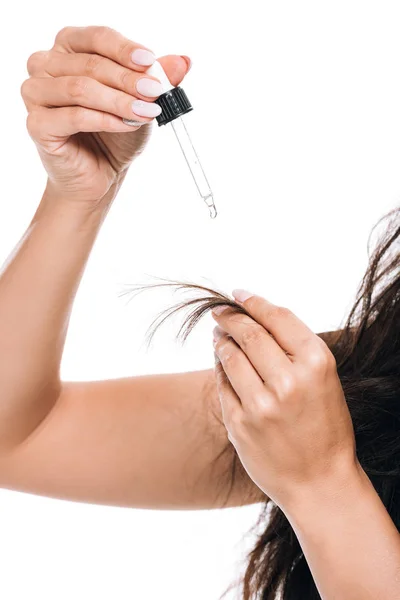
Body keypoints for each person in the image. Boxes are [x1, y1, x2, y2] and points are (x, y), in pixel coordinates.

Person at [0, 24, 399, 600]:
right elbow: (18, 436)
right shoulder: (368, 389)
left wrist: (323, 485)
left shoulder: (326, 445)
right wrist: (78, 196)